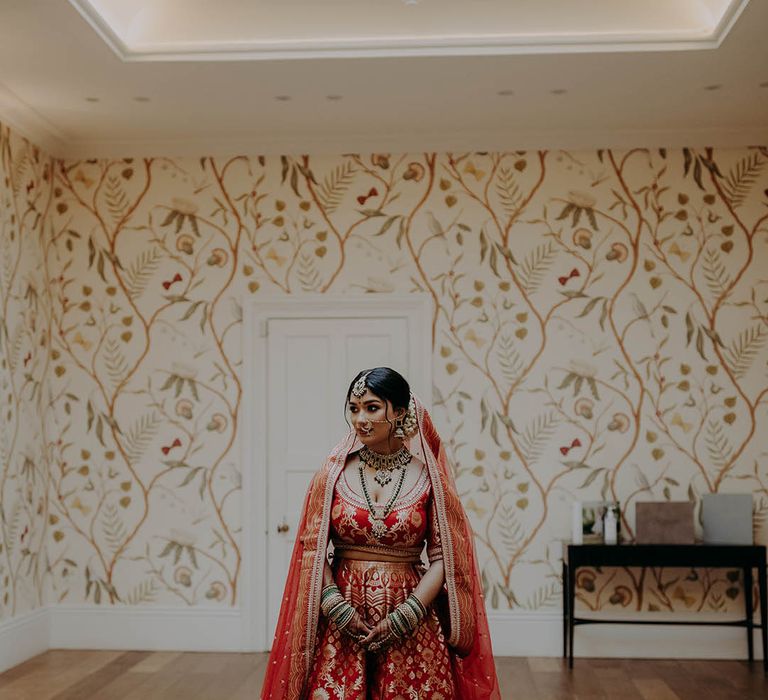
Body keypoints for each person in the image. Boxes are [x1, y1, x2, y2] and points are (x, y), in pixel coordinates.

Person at [261, 367, 500, 699]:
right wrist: (334, 604)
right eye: (354, 408)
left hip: (410, 618)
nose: (360, 419)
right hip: (342, 619)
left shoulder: (428, 478)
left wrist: (409, 613)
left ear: (400, 411)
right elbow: (312, 548)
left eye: (372, 408)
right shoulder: (332, 473)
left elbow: (444, 557)